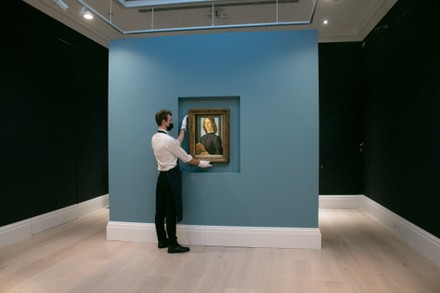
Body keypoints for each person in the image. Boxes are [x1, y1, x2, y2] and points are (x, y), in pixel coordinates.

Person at [151, 109, 212, 254]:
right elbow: (187, 158)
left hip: (161, 178)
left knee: (160, 211)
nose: (171, 122)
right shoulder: (169, 141)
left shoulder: (155, 138)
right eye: (170, 120)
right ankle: (173, 244)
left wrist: (183, 129)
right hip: (172, 178)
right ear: (164, 122)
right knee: (171, 211)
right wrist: (201, 163)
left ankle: (162, 240)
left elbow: (175, 144)